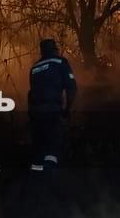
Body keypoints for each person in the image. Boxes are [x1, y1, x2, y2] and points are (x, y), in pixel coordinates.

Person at [28, 38, 77, 172]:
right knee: (53, 146)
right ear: (55, 49)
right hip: (52, 110)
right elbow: (71, 88)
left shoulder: (34, 68)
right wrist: (67, 110)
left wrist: (31, 116)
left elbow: (30, 94)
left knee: (40, 148)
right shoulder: (60, 62)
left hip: (36, 114)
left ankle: (36, 175)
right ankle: (51, 174)